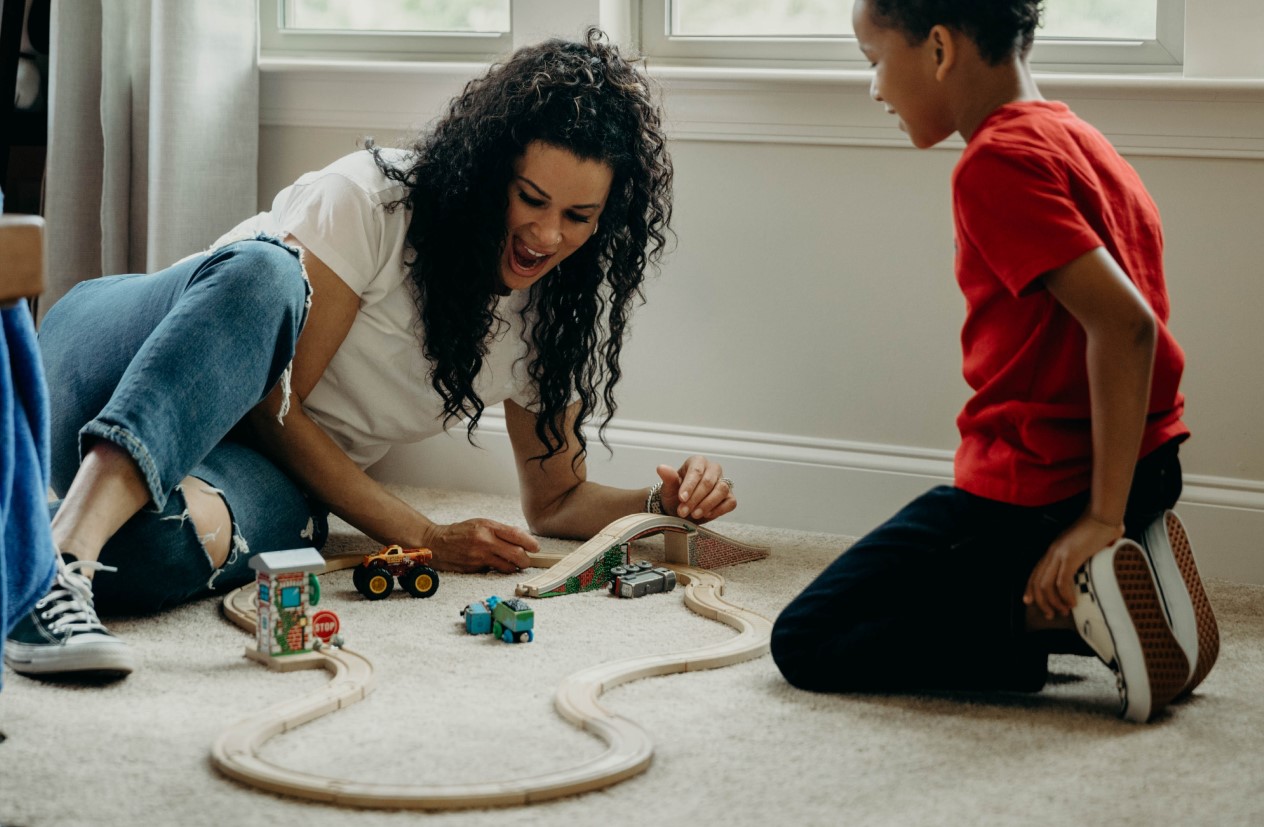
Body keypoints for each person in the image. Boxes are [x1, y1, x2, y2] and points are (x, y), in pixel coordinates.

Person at [5, 29, 737, 681]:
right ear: (488, 173)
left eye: (577, 217)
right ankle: (59, 559)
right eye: (530, 199)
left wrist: (658, 504)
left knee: (164, 548)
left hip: (246, 464)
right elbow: (273, 406)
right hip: (126, 358)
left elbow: (556, 498)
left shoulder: (553, 312)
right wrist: (419, 532)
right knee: (266, 272)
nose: (546, 235)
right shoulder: (372, 200)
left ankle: (40, 526)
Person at [770, 0, 1218, 723]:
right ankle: (1120, 586)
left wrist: (1099, 517)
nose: (874, 88)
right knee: (928, 593)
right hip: (1148, 464)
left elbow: (1126, 327)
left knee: (806, 635)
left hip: (1041, 489)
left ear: (939, 48)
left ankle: (1075, 608)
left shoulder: (994, 162)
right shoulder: (1078, 139)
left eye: (872, 59)